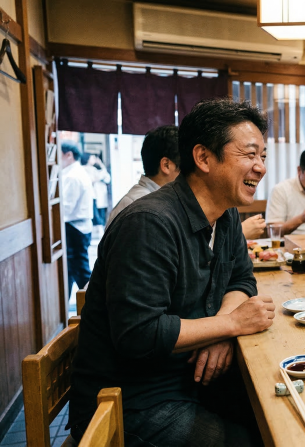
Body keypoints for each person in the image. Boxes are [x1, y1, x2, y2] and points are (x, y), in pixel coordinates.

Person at [69, 99, 276, 446]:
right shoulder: (149, 222)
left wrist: (220, 331)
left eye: (263, 157)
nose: (261, 167)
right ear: (203, 157)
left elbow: (242, 279)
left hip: (189, 378)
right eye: (250, 154)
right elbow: (138, 333)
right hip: (130, 401)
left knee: (274, 408)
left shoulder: (225, 216)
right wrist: (231, 324)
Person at [107, 125, 265, 239]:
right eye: (188, 166)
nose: (194, 173)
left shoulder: (223, 209)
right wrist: (240, 234)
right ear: (166, 165)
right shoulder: (144, 212)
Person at [265, 148, 305, 235]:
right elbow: (273, 231)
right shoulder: (281, 190)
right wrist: (301, 219)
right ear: (299, 170)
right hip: (289, 246)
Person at [61, 141, 94, 293]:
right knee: (71, 270)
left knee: (81, 272)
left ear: (69, 155)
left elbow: (66, 207)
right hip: (79, 226)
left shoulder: (73, 176)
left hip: (74, 227)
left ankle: (94, 306)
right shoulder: (76, 172)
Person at [82, 153, 111, 234]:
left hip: (98, 196)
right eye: (92, 158)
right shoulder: (85, 169)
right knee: (96, 215)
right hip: (92, 196)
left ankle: (100, 231)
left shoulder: (93, 169)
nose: (94, 159)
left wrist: (101, 165)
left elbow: (107, 178)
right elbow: (95, 178)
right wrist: (101, 166)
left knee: (100, 213)